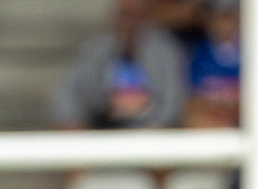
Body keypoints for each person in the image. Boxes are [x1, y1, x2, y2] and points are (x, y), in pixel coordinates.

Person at [51, 0, 186, 130]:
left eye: (136, 16)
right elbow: (69, 93)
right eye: (125, 15)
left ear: (146, 19)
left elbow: (174, 100)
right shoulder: (96, 50)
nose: (130, 24)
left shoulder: (165, 51)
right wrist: (72, 121)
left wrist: (158, 127)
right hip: (104, 130)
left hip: (152, 132)